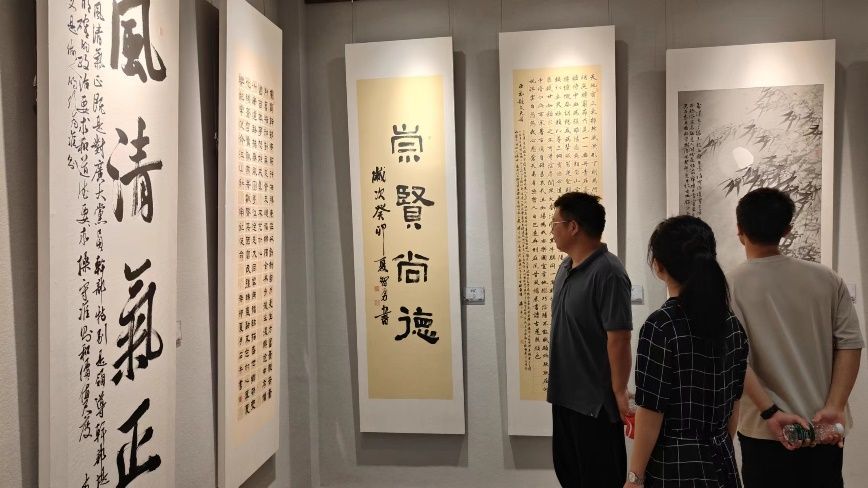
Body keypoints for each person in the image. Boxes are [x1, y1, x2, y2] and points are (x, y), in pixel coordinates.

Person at [729, 188, 863, 488]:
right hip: (823, 428)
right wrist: (835, 406)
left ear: (739, 230)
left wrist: (771, 412)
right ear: (787, 230)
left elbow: (736, 360)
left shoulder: (729, 286)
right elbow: (850, 344)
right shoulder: (828, 278)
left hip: (765, 430)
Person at [628, 215, 749, 488]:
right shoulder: (731, 324)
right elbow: (734, 403)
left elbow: (651, 412)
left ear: (659, 266)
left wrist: (634, 477)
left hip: (673, 464)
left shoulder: (661, 326)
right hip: (721, 460)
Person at [547, 191, 633, 487]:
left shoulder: (609, 272)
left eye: (555, 223)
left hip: (594, 404)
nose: (551, 230)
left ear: (573, 227)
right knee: (569, 476)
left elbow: (619, 338)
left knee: (599, 479)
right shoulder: (565, 268)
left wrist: (619, 390)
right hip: (564, 397)